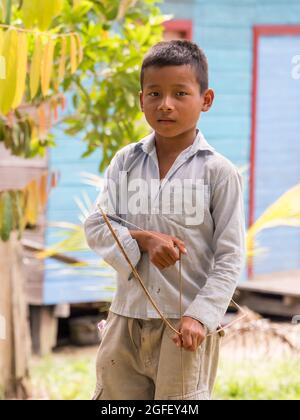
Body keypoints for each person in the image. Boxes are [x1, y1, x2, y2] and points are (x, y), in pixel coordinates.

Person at [84, 40, 246, 400]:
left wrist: (200, 316)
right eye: (154, 93)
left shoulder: (218, 172)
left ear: (206, 100)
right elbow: (98, 224)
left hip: (184, 327)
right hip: (125, 320)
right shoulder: (125, 162)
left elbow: (231, 256)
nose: (165, 105)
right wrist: (143, 238)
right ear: (141, 99)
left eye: (180, 93)